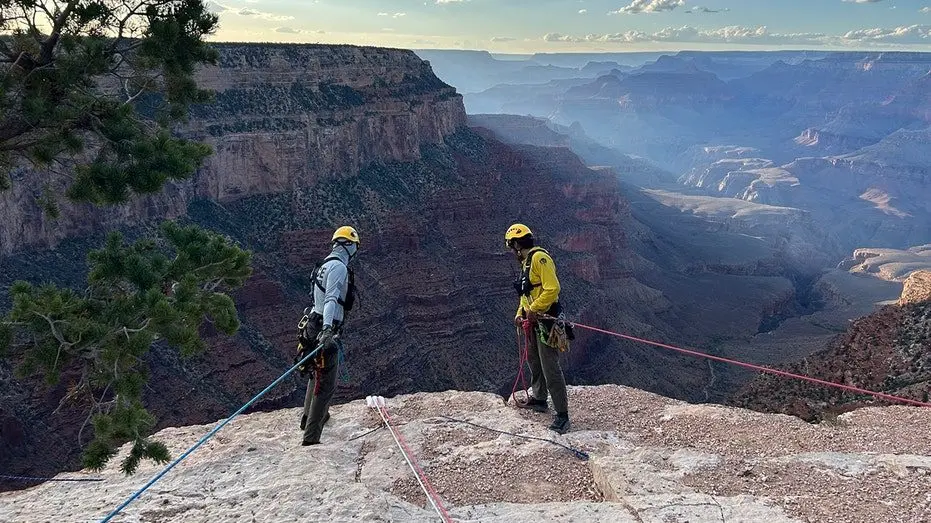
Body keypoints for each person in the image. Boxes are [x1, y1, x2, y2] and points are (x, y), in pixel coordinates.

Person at [505, 223, 571, 435]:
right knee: (534, 360)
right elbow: (526, 296)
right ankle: (540, 398)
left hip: (547, 322)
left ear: (516, 244)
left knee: (550, 366)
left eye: (511, 246)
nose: (511, 250)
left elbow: (553, 289)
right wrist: (520, 313)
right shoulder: (525, 263)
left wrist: (533, 309)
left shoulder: (540, 259)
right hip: (533, 321)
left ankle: (562, 415)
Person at [299, 225, 360, 446]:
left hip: (312, 322)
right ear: (349, 245)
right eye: (355, 246)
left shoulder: (323, 265)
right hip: (325, 327)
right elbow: (332, 299)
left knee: (316, 373)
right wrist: (327, 330)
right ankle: (311, 438)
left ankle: (310, 418)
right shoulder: (338, 268)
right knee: (326, 384)